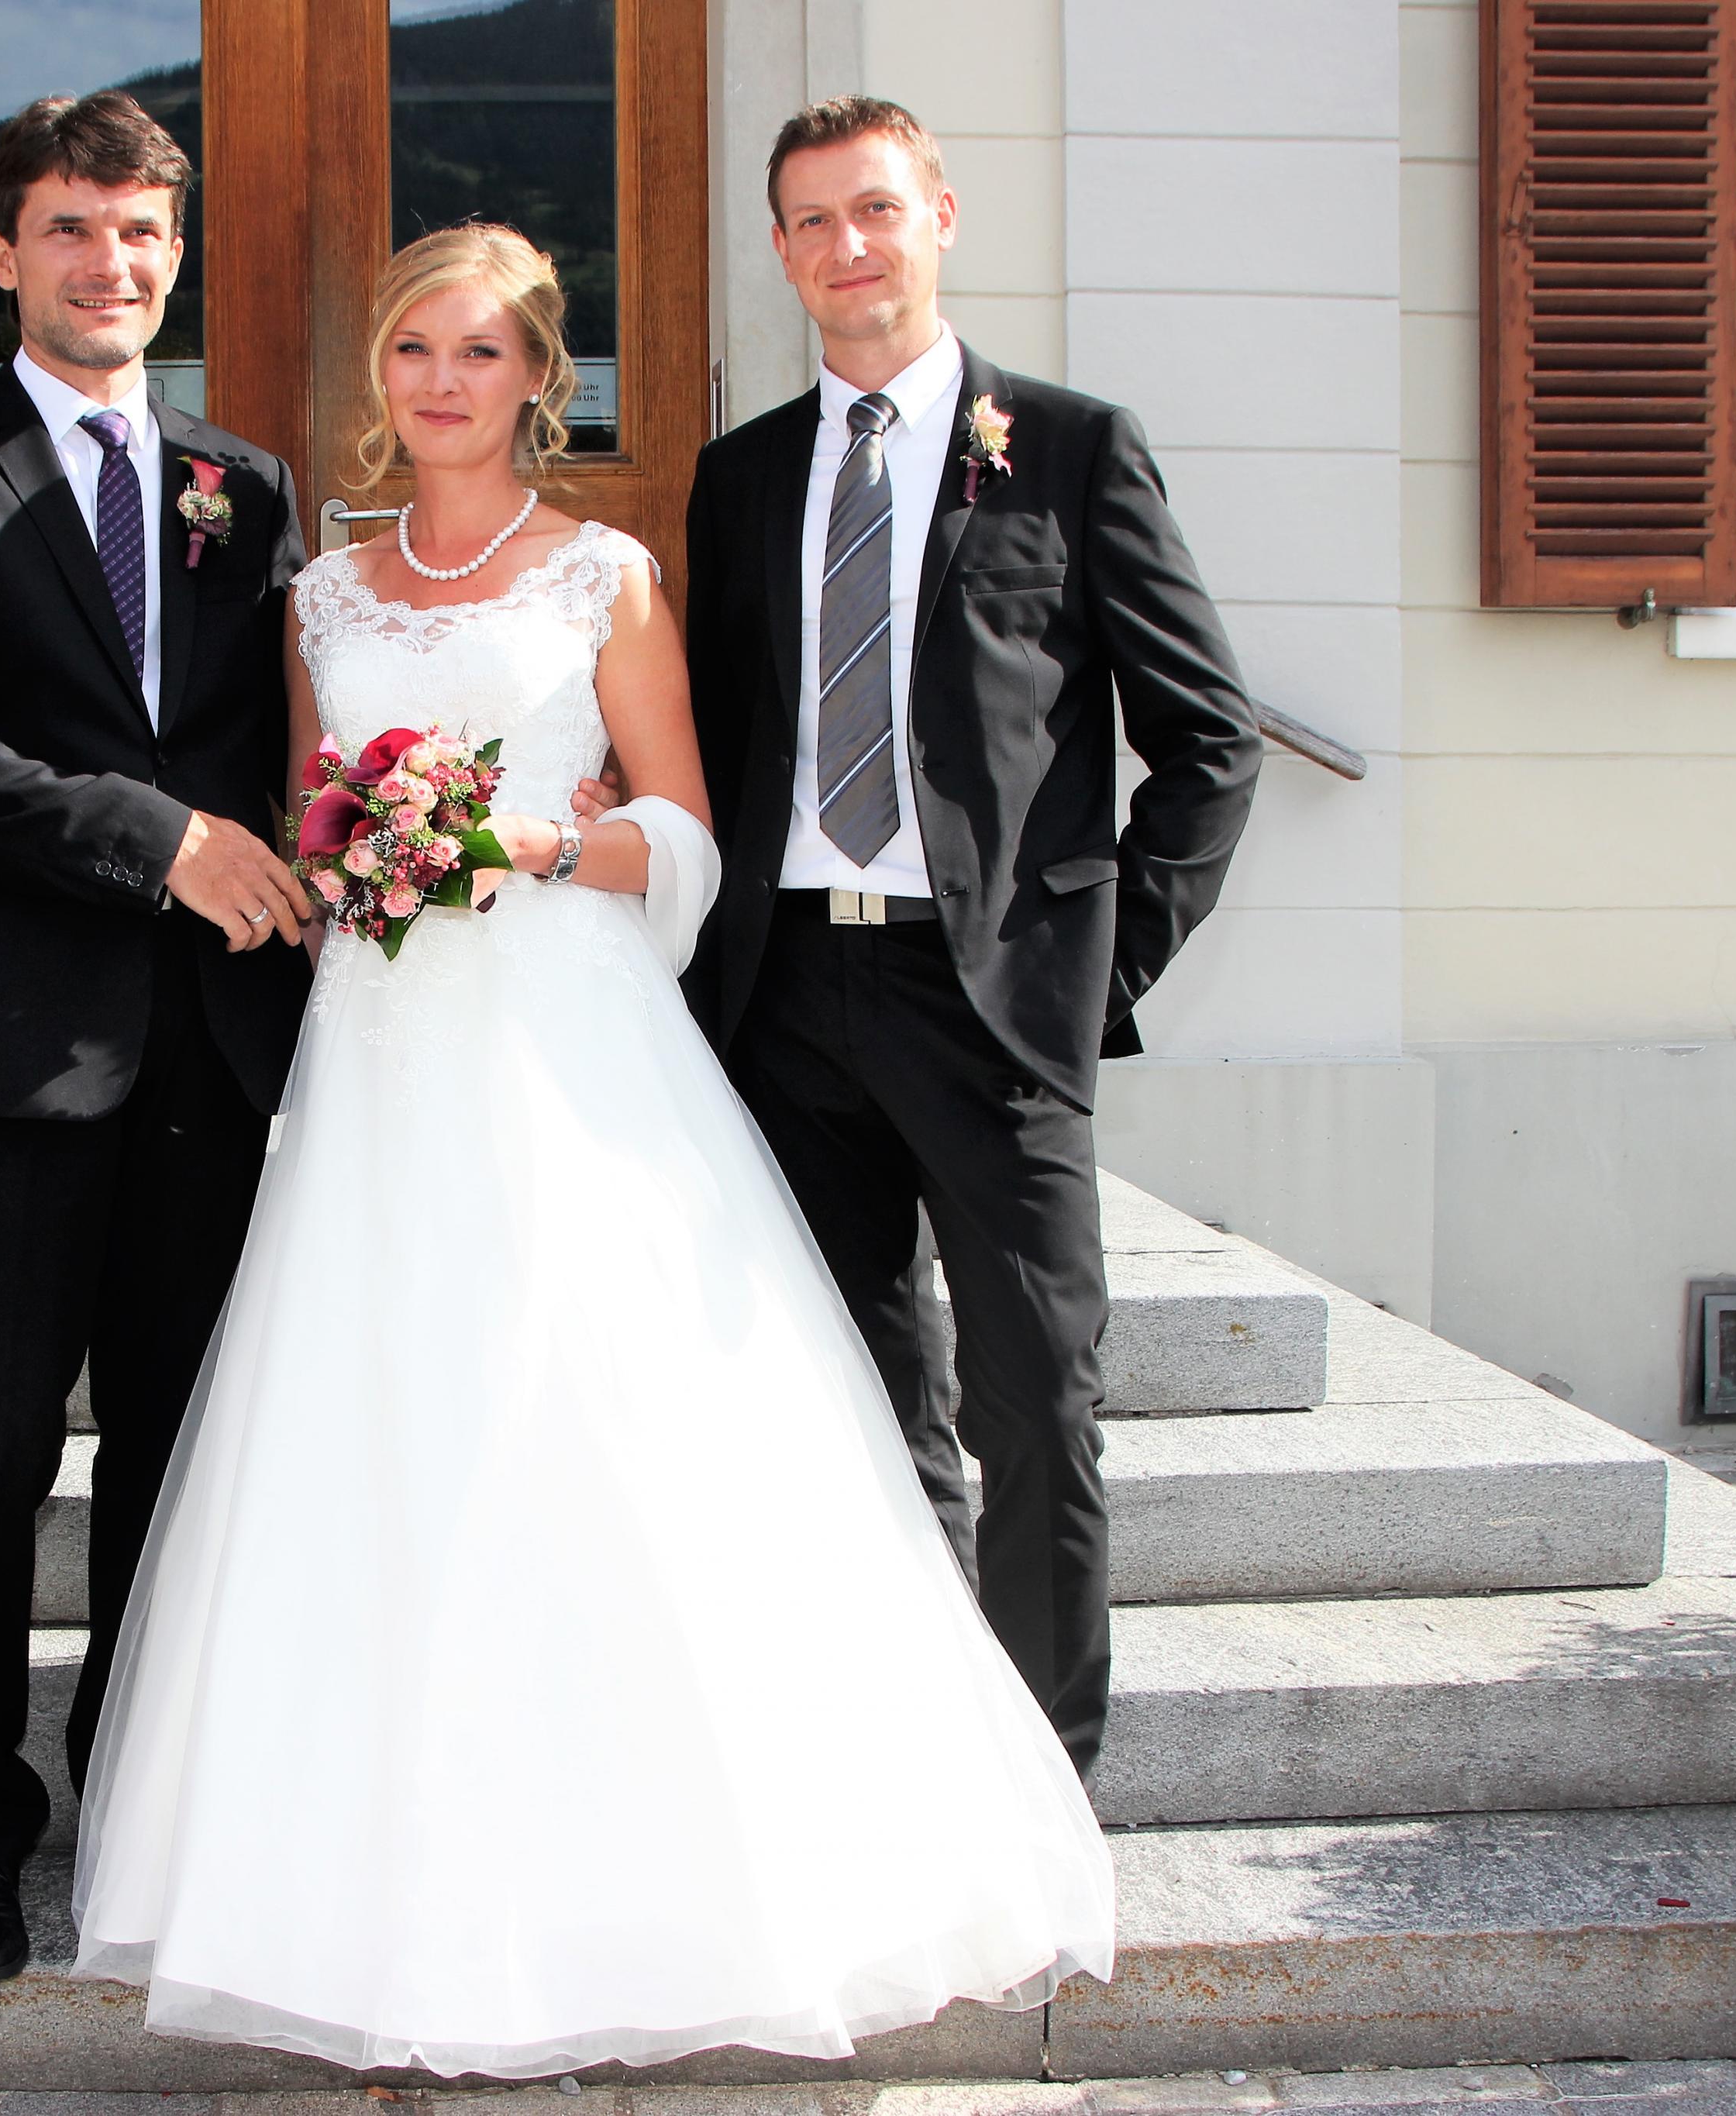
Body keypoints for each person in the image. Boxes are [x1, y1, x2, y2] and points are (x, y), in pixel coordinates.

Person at [67, 222, 1114, 2076]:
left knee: (594, 1411)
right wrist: (355, 858)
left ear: (535, 379)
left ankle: (676, 1876)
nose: (442, 382)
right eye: (414, 350)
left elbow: (686, 832)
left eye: (478, 352)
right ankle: (382, 1895)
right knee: (384, 1431)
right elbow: (311, 825)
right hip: (384, 1051)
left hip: (563, 1034)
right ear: (381, 376)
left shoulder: (604, 575)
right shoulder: (320, 599)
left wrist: (529, 845)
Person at [670, 98, 1261, 1780]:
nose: (845, 246)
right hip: (788, 995)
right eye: (810, 220)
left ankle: (1044, 1781)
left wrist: (1097, 968)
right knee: (859, 1402)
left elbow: (1208, 742)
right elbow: (717, 742)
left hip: (991, 999)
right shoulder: (740, 477)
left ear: (938, 215)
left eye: (874, 208)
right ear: (780, 251)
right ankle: (913, 1764)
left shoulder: (1070, 449)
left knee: (1036, 1401)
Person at [0, 91, 312, 1986]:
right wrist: (156, 839)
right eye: (69, 228)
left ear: (171, 255)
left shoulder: (241, 483)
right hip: (11, 1048)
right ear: (1, 252)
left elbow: (284, 740)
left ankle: (129, 1793)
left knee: (173, 1448)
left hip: (213, 1049)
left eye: (138, 233)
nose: (108, 263)